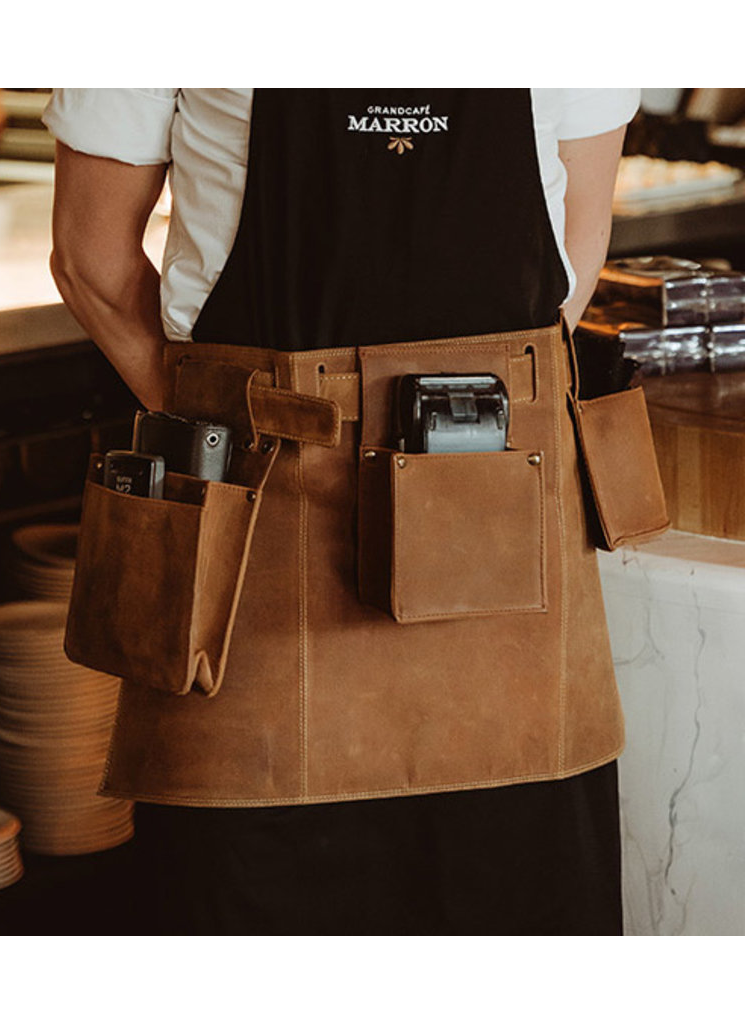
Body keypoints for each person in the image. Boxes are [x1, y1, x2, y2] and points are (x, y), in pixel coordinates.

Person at [44, 88, 640, 936]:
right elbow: (90, 258)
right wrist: (240, 422)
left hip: (501, 551)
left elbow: (570, 264)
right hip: (262, 554)